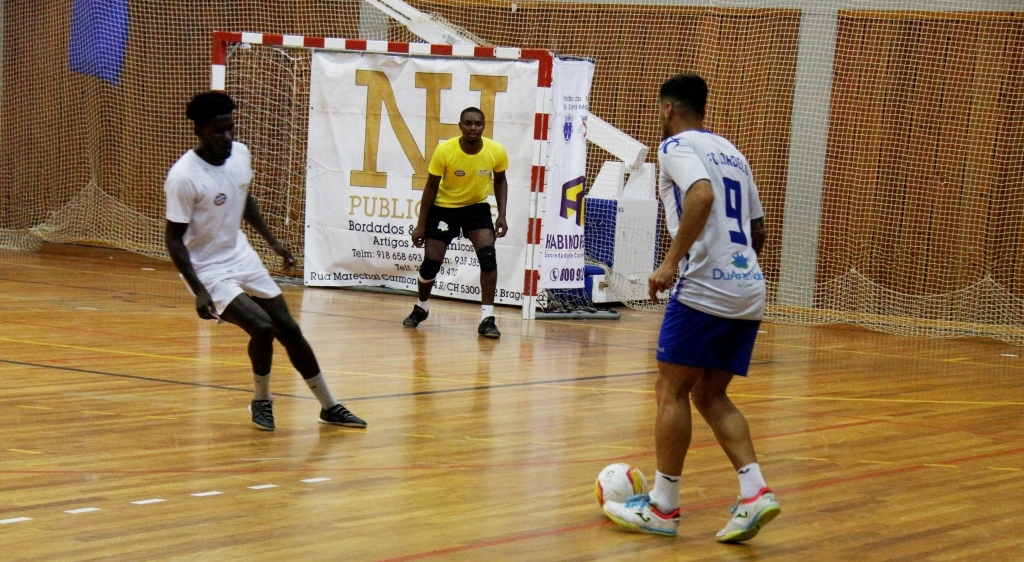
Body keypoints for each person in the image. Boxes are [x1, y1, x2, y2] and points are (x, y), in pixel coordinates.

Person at [602, 74, 780, 542]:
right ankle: (755, 492)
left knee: (672, 391)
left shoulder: (676, 146)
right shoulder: (733, 153)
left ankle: (662, 508)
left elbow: (701, 195)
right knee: (710, 395)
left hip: (705, 288)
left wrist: (669, 264)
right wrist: (734, 268)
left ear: (667, 110)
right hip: (748, 288)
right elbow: (758, 228)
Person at [164, 90, 366, 432]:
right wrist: (199, 290)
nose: (227, 137)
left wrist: (273, 243)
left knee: (290, 329)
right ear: (199, 130)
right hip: (206, 268)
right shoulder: (185, 176)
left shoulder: (240, 154)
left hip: (240, 255)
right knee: (260, 327)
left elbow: (245, 199)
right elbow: (173, 238)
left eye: (231, 128)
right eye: (218, 130)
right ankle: (261, 400)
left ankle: (329, 407)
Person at [402, 107, 509, 339]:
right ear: (460, 126)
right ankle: (422, 307)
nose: (473, 128)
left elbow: (500, 181)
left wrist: (501, 215)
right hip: (444, 209)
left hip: (476, 208)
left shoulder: (496, 151)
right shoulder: (445, 150)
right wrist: (421, 225)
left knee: (488, 257)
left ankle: (487, 318)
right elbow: (431, 187)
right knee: (430, 265)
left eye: (478, 124)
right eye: (468, 124)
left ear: (484, 125)